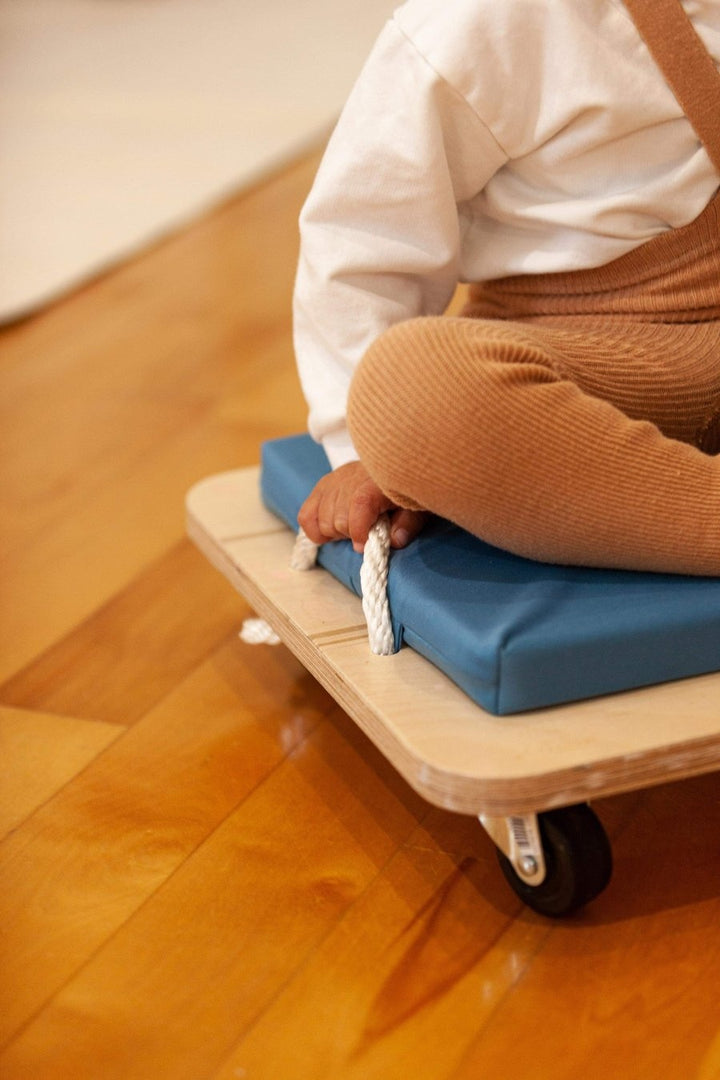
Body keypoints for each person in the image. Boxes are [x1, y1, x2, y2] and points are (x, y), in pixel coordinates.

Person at [294, 0, 720, 575]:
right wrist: (362, 450)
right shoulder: (483, 22)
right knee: (414, 384)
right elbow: (360, 243)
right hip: (605, 362)